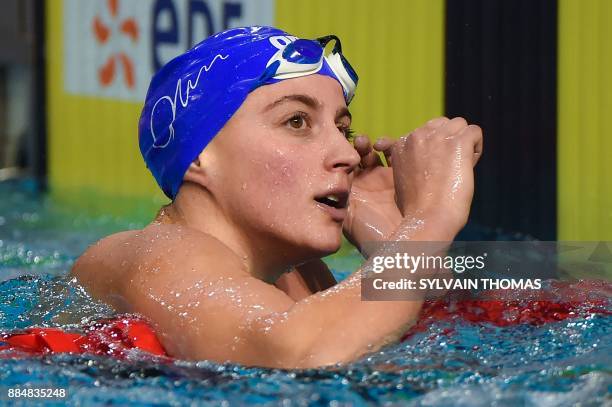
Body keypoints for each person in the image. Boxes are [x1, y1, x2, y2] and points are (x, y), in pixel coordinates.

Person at [71, 26, 483, 368]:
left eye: (342, 128)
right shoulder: (153, 253)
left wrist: (392, 235)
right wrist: (432, 215)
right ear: (199, 155)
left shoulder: (295, 277)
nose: (344, 153)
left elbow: (439, 341)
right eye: (297, 121)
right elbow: (301, 354)